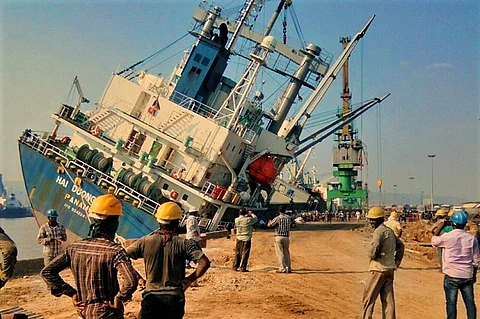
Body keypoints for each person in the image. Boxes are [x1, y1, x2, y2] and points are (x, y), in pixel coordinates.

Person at [41, 194, 138, 319]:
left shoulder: (74, 248)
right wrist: (119, 298)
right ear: (114, 223)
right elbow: (131, 281)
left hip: (84, 312)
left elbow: (47, 272)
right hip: (108, 313)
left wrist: (72, 293)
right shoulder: (115, 250)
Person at [126, 202, 211, 319]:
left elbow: (122, 257)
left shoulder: (145, 241)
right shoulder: (184, 243)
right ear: (177, 222)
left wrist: (139, 278)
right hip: (174, 298)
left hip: (151, 296)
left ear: (159, 221)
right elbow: (204, 262)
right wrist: (189, 280)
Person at [431, 210, 478, 319]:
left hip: (451, 274)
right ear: (465, 224)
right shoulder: (472, 239)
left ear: (452, 223)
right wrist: (474, 275)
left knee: (451, 303)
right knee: (470, 303)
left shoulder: (447, 237)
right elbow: (476, 260)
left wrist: (440, 227)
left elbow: (434, 241)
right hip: (467, 274)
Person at [363, 207, 405, 319]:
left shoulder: (378, 232)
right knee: (388, 300)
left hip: (378, 269)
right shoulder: (389, 231)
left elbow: (373, 250)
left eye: (374, 220)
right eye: (371, 219)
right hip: (389, 269)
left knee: (369, 299)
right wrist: (396, 261)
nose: (372, 222)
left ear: (380, 220)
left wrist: (373, 256)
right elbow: (401, 246)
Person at [268, 206, 292, 273]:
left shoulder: (277, 218)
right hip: (286, 237)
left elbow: (269, 225)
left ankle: (282, 268)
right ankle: (288, 267)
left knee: (280, 253)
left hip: (278, 236)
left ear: (279, 211)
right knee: (286, 252)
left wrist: (269, 221)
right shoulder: (288, 218)